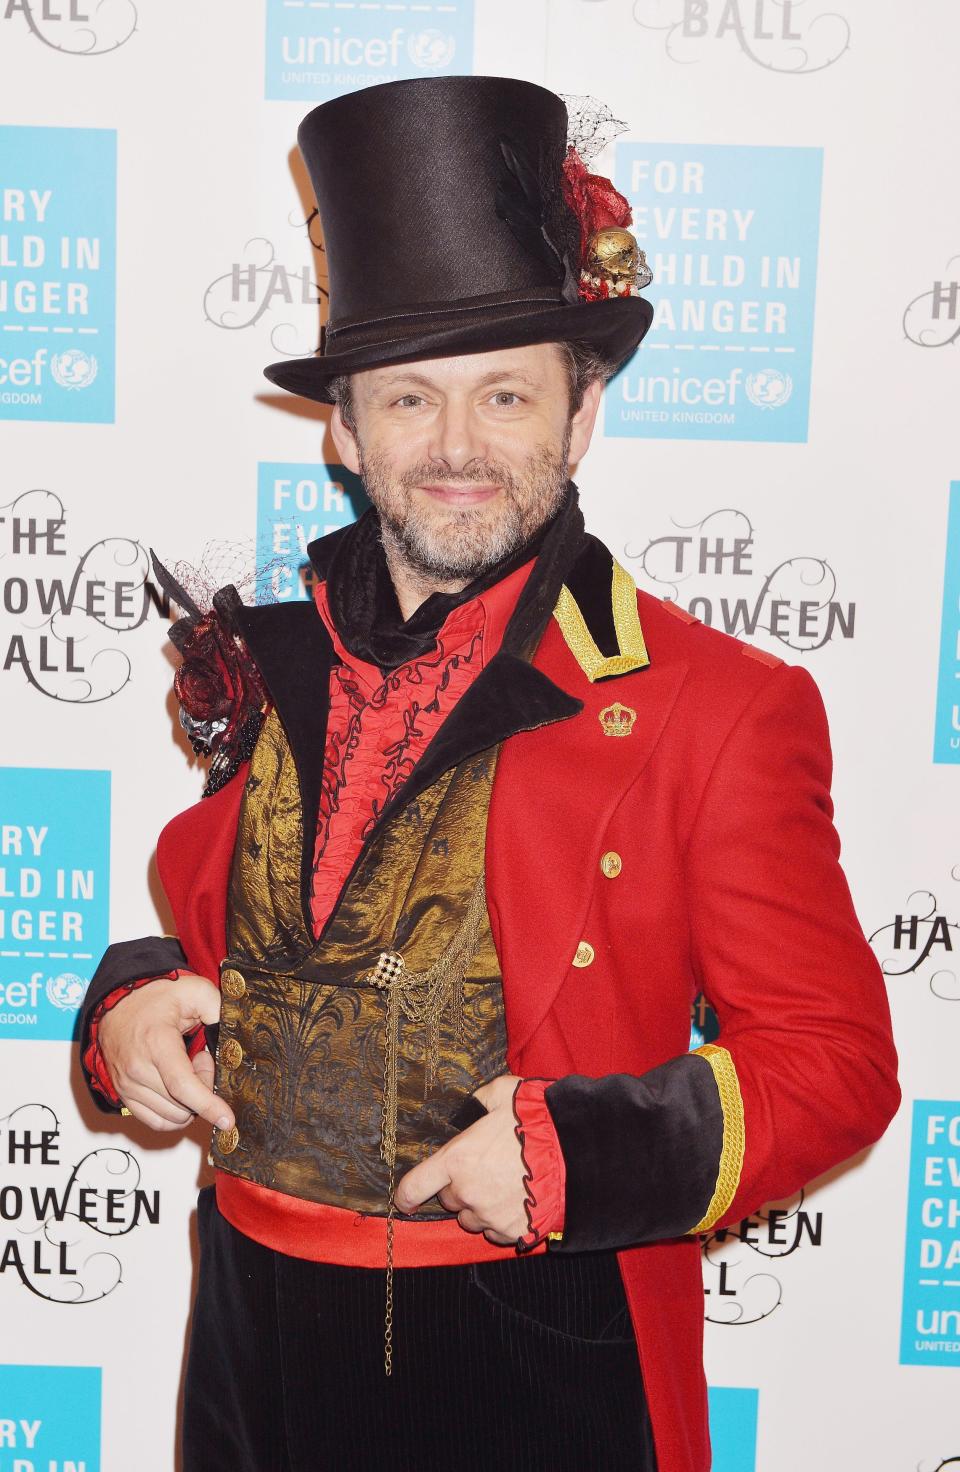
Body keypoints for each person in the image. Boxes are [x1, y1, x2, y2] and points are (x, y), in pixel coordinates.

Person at [78, 75, 900, 1472]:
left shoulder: (721, 708)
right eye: (409, 398)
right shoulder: (271, 669)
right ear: (344, 428)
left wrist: (580, 1154)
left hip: (537, 1340)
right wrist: (136, 1012)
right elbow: (237, 947)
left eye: (505, 395)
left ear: (580, 419)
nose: (456, 449)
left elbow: (835, 1065)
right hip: (253, 1339)